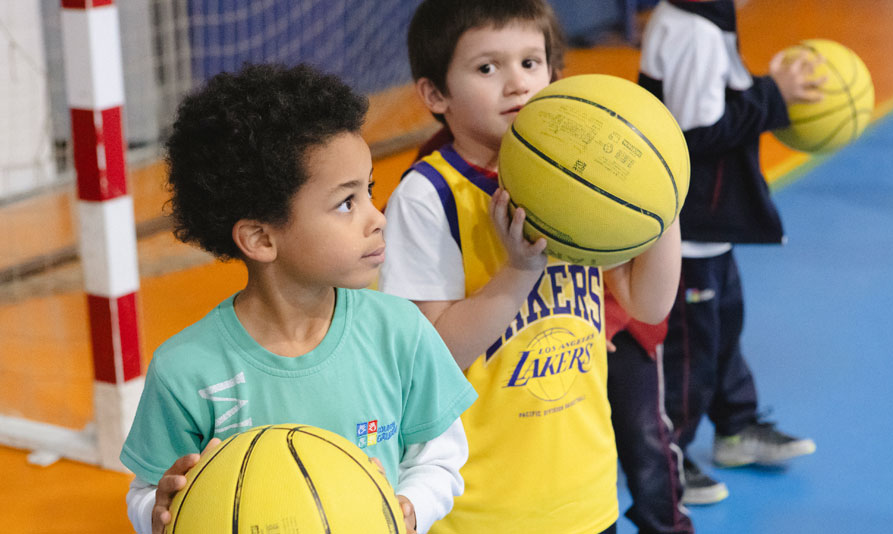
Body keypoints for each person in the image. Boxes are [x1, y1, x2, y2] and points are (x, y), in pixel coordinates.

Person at [119, 64, 477, 534]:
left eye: (368, 191)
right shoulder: (186, 369)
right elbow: (148, 492)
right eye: (346, 203)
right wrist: (156, 511)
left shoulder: (400, 331)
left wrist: (410, 507)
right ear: (260, 238)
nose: (377, 218)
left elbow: (441, 459)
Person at [379, 1, 682, 533]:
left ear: (555, 73)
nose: (517, 84)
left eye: (531, 63)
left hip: (586, 497)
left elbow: (648, 303)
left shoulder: (582, 186)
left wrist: (662, 197)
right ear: (435, 94)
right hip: (480, 510)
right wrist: (518, 271)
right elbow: (433, 358)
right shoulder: (427, 197)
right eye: (487, 68)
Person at [610, 0, 821, 510]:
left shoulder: (701, 20)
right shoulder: (694, 31)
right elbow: (695, 132)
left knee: (724, 328)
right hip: (690, 226)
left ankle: (736, 426)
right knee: (689, 351)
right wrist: (774, 96)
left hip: (710, 224)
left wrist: (756, 86)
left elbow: (709, 100)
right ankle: (670, 456)